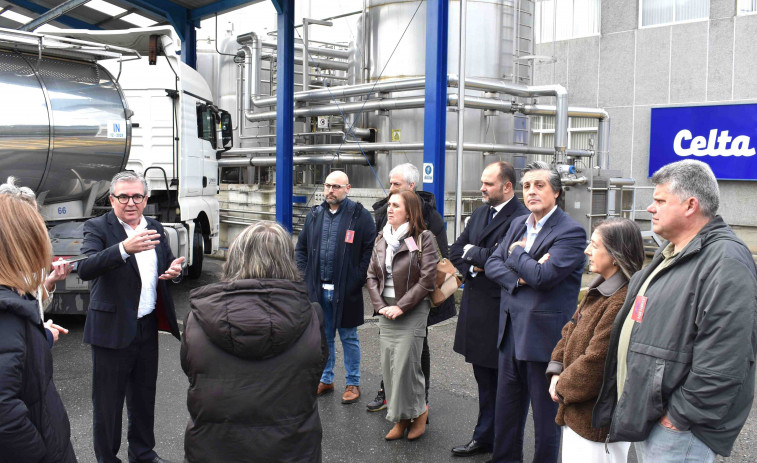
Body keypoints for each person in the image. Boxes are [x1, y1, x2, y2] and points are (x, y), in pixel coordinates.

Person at [593, 159, 757, 461]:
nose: (650, 208)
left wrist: (679, 417)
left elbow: (726, 357)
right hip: (653, 417)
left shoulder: (725, 260)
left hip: (678, 429)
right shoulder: (673, 252)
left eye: (660, 200)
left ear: (690, 205)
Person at [182, 221, 328, 463]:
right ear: (288, 261)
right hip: (292, 449)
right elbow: (315, 370)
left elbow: (191, 370)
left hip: (213, 449)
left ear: (235, 258)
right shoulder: (311, 316)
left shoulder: (196, 319)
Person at [77, 171, 185, 463]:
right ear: (112, 199)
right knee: (107, 404)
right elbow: (85, 268)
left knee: (143, 398)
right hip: (111, 329)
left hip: (147, 326)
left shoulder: (155, 227)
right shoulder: (97, 227)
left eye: (137, 196)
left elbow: (167, 265)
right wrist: (125, 248)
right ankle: (107, 458)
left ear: (146, 199)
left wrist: (174, 273)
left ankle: (142, 453)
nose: (130, 202)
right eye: (123, 196)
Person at [484, 161, 586, 463]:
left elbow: (544, 278)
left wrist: (516, 254)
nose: (531, 191)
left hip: (544, 341)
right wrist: (520, 276)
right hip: (510, 334)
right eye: (526, 186)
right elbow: (492, 264)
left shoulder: (571, 232)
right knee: (507, 413)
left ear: (556, 191)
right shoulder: (519, 224)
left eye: (539, 185)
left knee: (546, 421)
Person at [546, 218, 644, 462]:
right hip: (578, 411)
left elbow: (597, 361)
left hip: (596, 420)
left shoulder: (621, 300)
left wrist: (561, 386)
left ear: (614, 255)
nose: (587, 250)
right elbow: (570, 329)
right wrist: (556, 370)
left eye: (594, 245)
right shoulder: (600, 286)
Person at [448, 161, 528, 457]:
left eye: (488, 183)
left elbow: (503, 259)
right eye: (482, 182)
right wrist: (475, 264)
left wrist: (479, 256)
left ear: (507, 187)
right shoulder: (480, 212)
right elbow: (456, 250)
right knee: (484, 380)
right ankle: (485, 436)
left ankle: (499, 443)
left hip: (500, 312)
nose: (482, 188)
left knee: (504, 385)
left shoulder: (520, 217)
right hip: (477, 306)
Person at [367, 162, 455, 412]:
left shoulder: (431, 218)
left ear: (411, 186)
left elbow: (440, 262)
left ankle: (420, 401)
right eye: (390, 183)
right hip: (389, 297)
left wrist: (410, 299)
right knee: (389, 347)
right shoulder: (386, 213)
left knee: (417, 349)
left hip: (418, 299)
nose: (390, 188)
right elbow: (376, 257)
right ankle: (388, 394)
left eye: (396, 184)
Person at [0, 194, 77, 462]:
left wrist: (41, 335)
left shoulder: (11, 300)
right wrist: (40, 454)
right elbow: (4, 414)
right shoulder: (6, 313)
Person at [295, 170, 376, 404]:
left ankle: (353, 383)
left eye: (336, 187)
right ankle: (326, 378)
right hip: (319, 288)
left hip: (345, 290)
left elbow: (369, 251)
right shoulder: (315, 215)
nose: (331, 190)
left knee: (349, 337)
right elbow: (300, 249)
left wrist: (356, 279)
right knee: (324, 335)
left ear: (348, 189)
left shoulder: (359, 216)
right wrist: (304, 275)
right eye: (328, 185)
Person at [366, 190, 438, 441]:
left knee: (408, 366)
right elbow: (371, 276)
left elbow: (428, 279)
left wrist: (402, 306)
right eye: (389, 205)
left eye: (396, 205)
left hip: (412, 308)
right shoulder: (381, 238)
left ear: (410, 211)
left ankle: (418, 414)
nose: (390, 209)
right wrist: (380, 305)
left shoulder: (423, 238)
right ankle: (400, 417)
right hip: (387, 309)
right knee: (390, 366)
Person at [0, 176, 73, 327]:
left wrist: (51, 281)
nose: (35, 223)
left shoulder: (33, 257)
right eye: (28, 217)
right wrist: (44, 336)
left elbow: (35, 305)